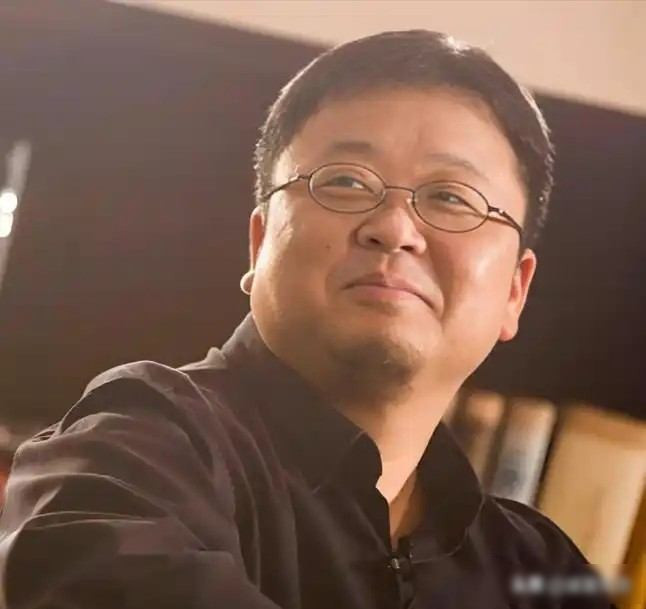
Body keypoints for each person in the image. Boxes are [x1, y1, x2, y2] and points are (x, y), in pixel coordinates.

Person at [0, 30, 617, 609]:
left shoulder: (538, 567)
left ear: (515, 290)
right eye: (345, 181)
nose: (394, 229)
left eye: (452, 197)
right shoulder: (133, 452)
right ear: (259, 244)